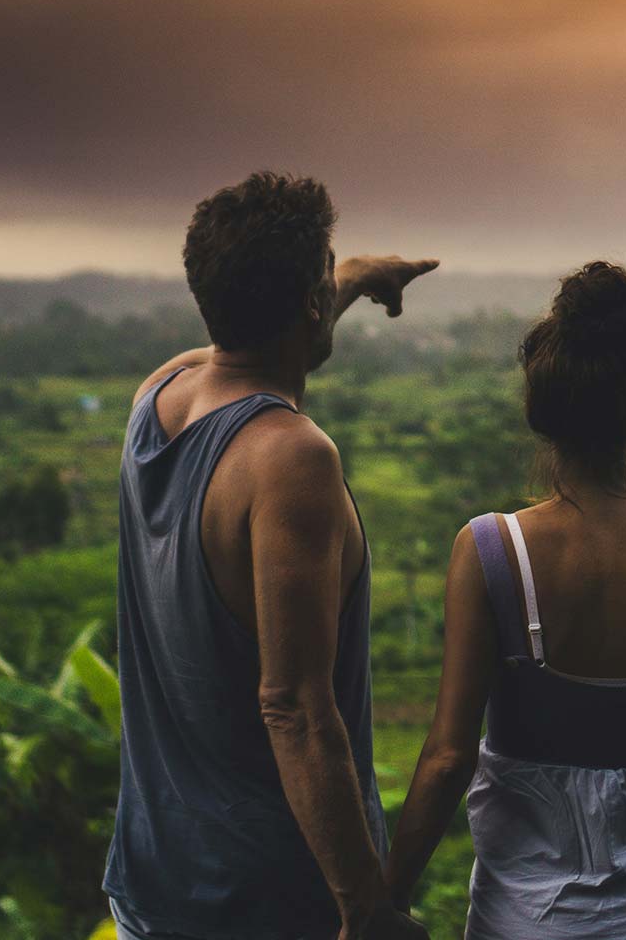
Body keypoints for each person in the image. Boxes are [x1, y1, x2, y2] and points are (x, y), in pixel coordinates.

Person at [103, 171, 437, 940]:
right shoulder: (289, 458)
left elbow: (251, 345)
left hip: (155, 886)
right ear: (311, 302)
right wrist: (366, 909)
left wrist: (351, 277)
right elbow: (294, 707)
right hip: (266, 901)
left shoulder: (158, 394)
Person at [385, 262, 626, 939]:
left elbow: (449, 757)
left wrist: (385, 900)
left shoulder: (492, 551)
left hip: (526, 917)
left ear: (540, 415)